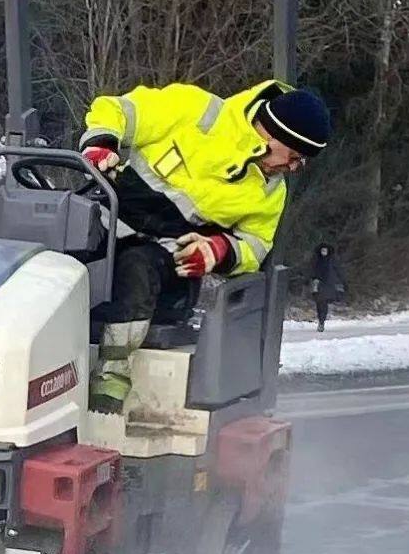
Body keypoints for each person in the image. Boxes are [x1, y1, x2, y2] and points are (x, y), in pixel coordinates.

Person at [80, 78, 331, 413]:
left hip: (170, 261)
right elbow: (120, 110)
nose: (295, 167)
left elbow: (256, 246)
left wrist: (218, 250)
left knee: (137, 269)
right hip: (106, 222)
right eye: (296, 156)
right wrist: (101, 143)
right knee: (51, 261)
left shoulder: (271, 192)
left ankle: (110, 382)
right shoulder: (195, 110)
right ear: (273, 136)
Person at [310, 242, 345, 331]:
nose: (324, 252)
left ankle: (322, 321)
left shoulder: (332, 261)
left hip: (328, 285)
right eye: (322, 250)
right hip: (318, 284)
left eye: (325, 250)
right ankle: (321, 320)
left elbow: (338, 271)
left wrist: (341, 283)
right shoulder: (316, 260)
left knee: (323, 303)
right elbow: (311, 271)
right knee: (319, 304)